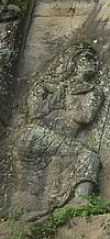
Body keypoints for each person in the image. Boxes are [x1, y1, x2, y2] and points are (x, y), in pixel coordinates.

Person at [16, 42, 103, 219]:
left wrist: (68, 96)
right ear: (74, 63)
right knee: (89, 156)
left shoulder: (94, 91)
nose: (92, 62)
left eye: (94, 60)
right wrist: (48, 91)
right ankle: (80, 200)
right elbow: (34, 113)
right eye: (86, 58)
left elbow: (85, 117)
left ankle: (53, 206)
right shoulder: (51, 85)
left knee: (83, 155)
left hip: (59, 140)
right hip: (36, 134)